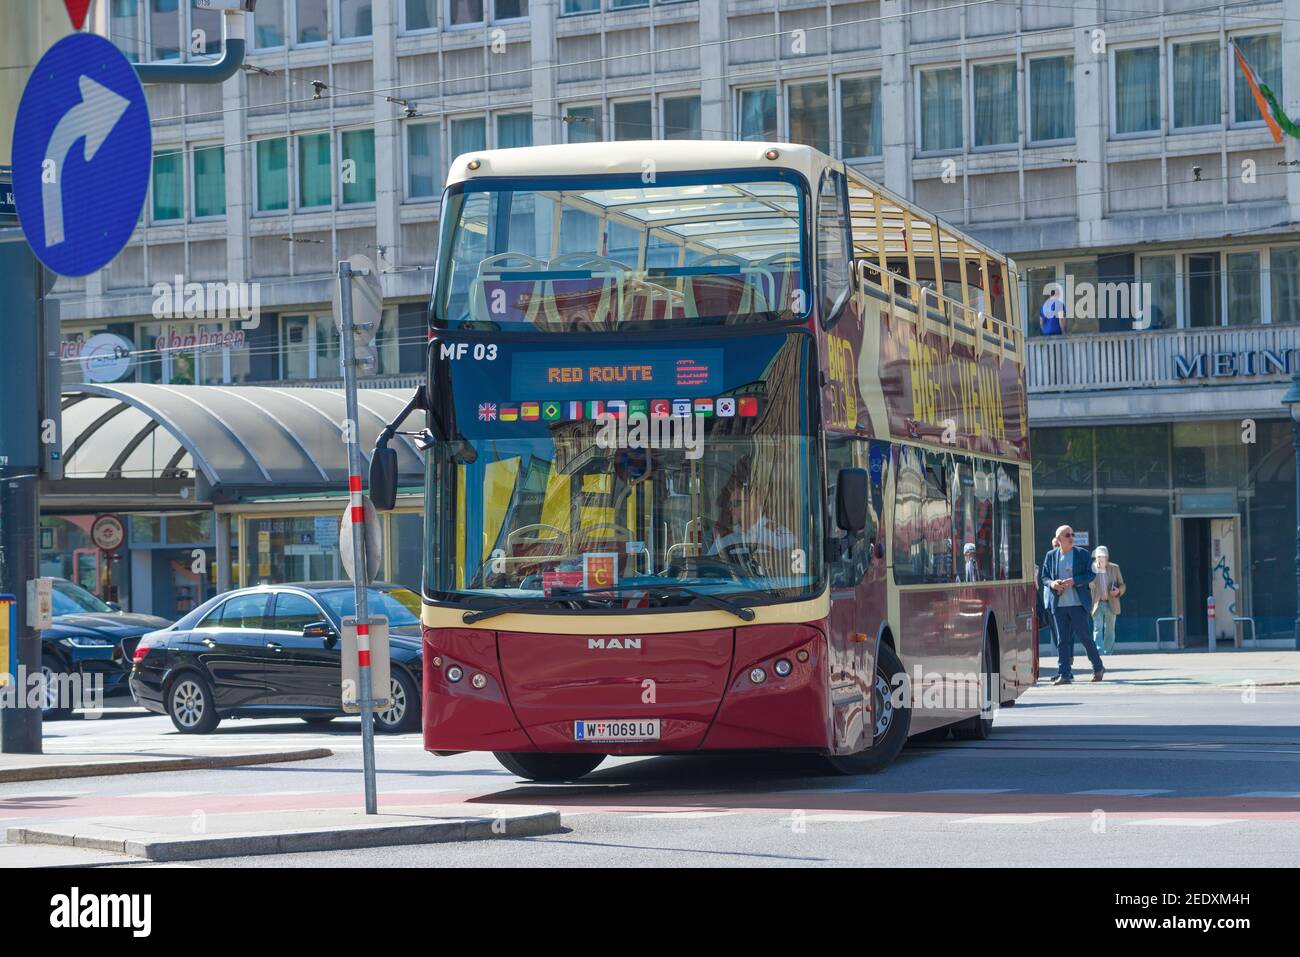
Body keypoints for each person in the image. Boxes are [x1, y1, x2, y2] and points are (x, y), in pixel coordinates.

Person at [1041, 525, 1105, 684]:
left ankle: (1098, 667)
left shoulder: (1082, 554)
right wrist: (1053, 584)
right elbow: (1044, 577)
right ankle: (1064, 673)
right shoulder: (1051, 555)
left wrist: (1074, 581)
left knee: (1085, 638)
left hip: (1077, 604)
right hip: (1059, 604)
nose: (1071, 537)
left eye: (1072, 534)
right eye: (1067, 535)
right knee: (1062, 641)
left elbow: (1091, 574)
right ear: (1059, 540)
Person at [1089, 546, 1126, 655]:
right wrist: (1089, 584)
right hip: (1097, 603)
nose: (1101, 558)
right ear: (1095, 557)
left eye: (1103, 556)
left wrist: (1118, 591)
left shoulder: (1114, 568)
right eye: (1099, 556)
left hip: (1111, 603)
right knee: (1097, 628)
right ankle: (1099, 652)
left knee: (1110, 629)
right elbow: (1085, 583)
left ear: (1107, 557)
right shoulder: (1091, 568)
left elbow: (1122, 585)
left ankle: (1108, 652)